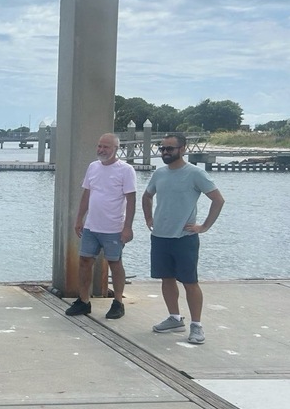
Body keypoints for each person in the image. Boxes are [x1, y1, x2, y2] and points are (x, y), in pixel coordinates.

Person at [142, 133, 225, 345]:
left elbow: (217, 199)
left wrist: (204, 227)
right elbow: (147, 196)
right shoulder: (159, 173)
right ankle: (174, 318)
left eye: (170, 148)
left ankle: (196, 325)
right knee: (166, 278)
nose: (165, 152)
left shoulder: (195, 173)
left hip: (184, 237)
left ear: (183, 149)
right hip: (160, 236)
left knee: (190, 281)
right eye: (162, 149)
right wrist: (149, 218)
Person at [65, 133, 136, 319]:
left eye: (106, 147)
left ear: (115, 149)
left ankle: (118, 302)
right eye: (99, 146)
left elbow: (131, 199)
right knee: (85, 261)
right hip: (91, 226)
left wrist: (128, 227)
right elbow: (87, 194)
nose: (101, 150)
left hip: (113, 227)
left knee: (115, 263)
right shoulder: (93, 167)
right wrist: (79, 218)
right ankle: (83, 301)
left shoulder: (126, 170)